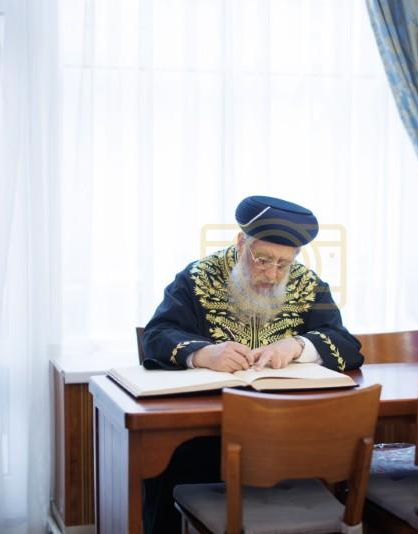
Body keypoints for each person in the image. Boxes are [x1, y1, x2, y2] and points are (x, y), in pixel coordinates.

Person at [140, 195, 364, 533]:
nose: (272, 274)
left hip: (286, 430)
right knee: (172, 465)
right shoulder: (198, 277)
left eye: (283, 264)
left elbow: (347, 344)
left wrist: (297, 346)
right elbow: (157, 335)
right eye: (263, 260)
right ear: (241, 242)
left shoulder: (307, 284)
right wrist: (204, 354)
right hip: (207, 435)